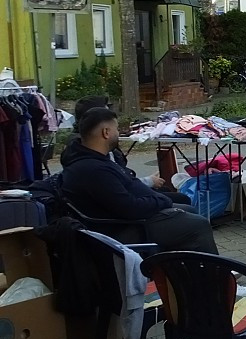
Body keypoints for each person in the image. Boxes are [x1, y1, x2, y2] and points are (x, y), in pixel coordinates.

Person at [61, 107, 218, 253]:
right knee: (198, 224)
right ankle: (215, 279)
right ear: (106, 132)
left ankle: (185, 273)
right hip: (124, 227)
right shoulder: (93, 169)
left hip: (128, 218)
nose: (118, 134)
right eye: (116, 129)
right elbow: (129, 208)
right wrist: (161, 201)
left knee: (188, 210)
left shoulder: (90, 159)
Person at [63, 95, 185, 204]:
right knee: (180, 202)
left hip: (123, 196)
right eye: (107, 115)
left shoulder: (81, 148)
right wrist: (149, 184)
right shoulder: (93, 154)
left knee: (169, 194)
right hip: (122, 208)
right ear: (103, 129)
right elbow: (122, 196)